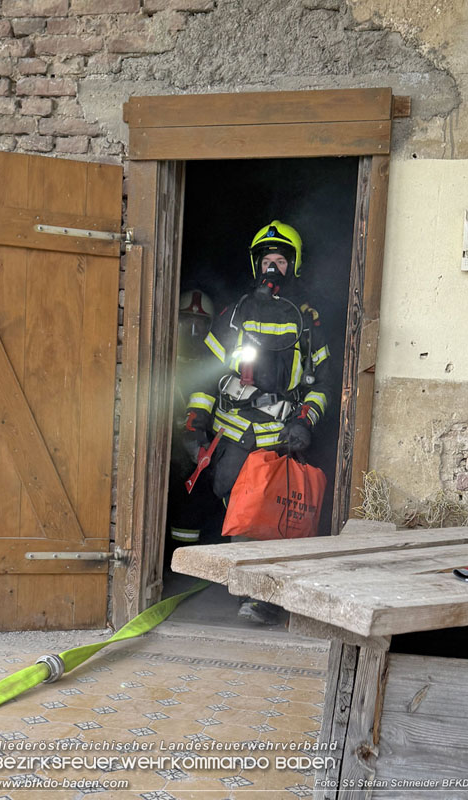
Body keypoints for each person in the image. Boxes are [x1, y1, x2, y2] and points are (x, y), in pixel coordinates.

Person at [181, 221, 332, 623]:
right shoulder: (233, 315)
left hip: (278, 437)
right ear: (255, 265)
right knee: (231, 506)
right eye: (267, 260)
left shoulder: (307, 321)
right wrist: (195, 421)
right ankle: (240, 581)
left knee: (266, 517)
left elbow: (323, 386)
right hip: (232, 434)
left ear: (293, 266)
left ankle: (259, 597)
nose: (272, 268)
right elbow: (207, 373)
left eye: (280, 260)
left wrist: (306, 422)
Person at [165, 289, 222, 567]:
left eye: (200, 323)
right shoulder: (163, 358)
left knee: (196, 492)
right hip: (166, 441)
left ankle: (187, 560)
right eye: (186, 319)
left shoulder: (215, 364)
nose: (192, 328)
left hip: (198, 443)